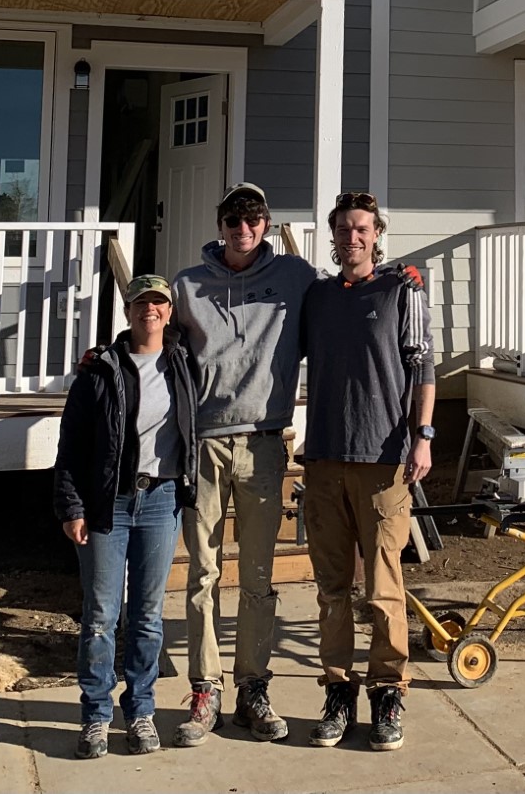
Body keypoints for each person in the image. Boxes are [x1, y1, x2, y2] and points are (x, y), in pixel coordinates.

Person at [169, 182, 320, 746]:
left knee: (258, 577)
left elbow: (345, 303)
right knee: (203, 573)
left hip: (262, 444)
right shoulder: (189, 285)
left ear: (265, 223)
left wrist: (398, 284)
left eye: (253, 217)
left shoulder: (296, 278)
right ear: (220, 223)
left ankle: (253, 688)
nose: (243, 227)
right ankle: (205, 690)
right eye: (233, 217)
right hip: (203, 445)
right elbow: (157, 341)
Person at [299, 190, 434, 753]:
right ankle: (336, 695)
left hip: (384, 461)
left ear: (376, 234)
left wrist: (423, 436)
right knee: (332, 590)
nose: (352, 237)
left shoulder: (402, 291)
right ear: (332, 236)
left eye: (362, 228)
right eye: (343, 229)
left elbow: (424, 367)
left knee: (383, 590)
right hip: (325, 458)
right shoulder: (318, 297)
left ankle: (387, 695)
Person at [53, 274, 196, 760]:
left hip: (161, 500)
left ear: (169, 312)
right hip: (105, 505)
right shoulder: (100, 368)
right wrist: (71, 506)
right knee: (99, 617)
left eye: (158, 302)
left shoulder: (183, 363)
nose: (149, 310)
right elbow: (70, 443)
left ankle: (140, 711)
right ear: (128, 310)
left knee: (148, 617)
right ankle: (95, 716)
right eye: (141, 303)